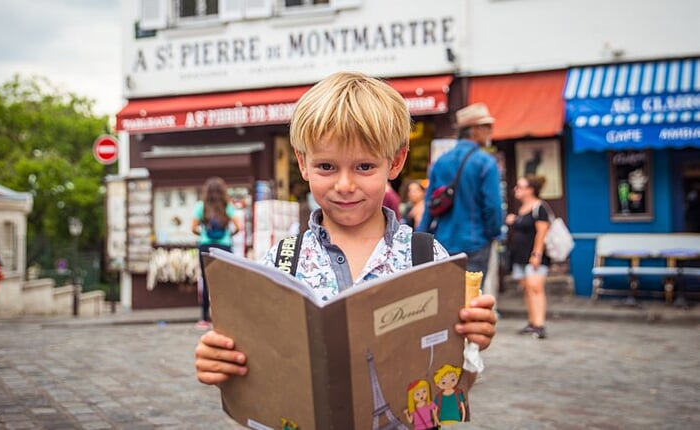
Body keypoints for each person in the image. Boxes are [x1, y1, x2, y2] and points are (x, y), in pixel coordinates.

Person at [195, 71, 497, 386]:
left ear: (395, 162)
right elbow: (258, 367)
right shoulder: (281, 263)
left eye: (364, 167)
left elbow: (453, 385)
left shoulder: (427, 257)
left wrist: (472, 342)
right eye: (326, 167)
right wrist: (222, 363)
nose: (344, 185)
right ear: (302, 162)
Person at [419, 102, 503, 280]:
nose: (491, 131)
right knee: (470, 298)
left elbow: (429, 206)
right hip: (475, 243)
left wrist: (419, 239)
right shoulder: (485, 162)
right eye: (486, 126)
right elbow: (493, 207)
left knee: (446, 298)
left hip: (443, 243)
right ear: (473, 130)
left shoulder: (440, 162)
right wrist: (493, 234)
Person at [191, 176, 242, 329]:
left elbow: (193, 227)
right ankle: (223, 317)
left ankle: (204, 318)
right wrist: (229, 235)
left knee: (206, 282)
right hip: (224, 247)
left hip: (206, 247)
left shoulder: (201, 206)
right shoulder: (227, 206)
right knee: (224, 282)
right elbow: (238, 226)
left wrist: (203, 234)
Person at [505, 174, 550, 339]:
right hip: (520, 256)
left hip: (534, 256)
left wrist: (537, 253)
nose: (516, 190)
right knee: (527, 290)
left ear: (530, 190)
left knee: (535, 288)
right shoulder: (521, 208)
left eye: (520, 187)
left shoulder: (540, 207)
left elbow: (542, 232)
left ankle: (540, 324)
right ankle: (532, 322)